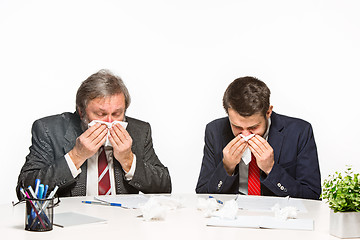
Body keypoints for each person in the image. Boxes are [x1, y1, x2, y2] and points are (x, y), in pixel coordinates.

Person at [16, 69, 171, 199]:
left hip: (124, 224)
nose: (110, 122)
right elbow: (25, 191)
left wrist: (128, 160)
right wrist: (76, 156)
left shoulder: (139, 131)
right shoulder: (49, 130)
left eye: (117, 113)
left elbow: (164, 187)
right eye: (100, 114)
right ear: (81, 111)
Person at [195, 77, 321, 200]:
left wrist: (271, 169)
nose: (245, 135)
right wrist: (226, 167)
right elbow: (202, 194)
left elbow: (312, 195)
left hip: (278, 213)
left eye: (253, 127)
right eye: (237, 126)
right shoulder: (215, 131)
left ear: (268, 112)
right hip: (231, 212)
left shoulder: (299, 131)